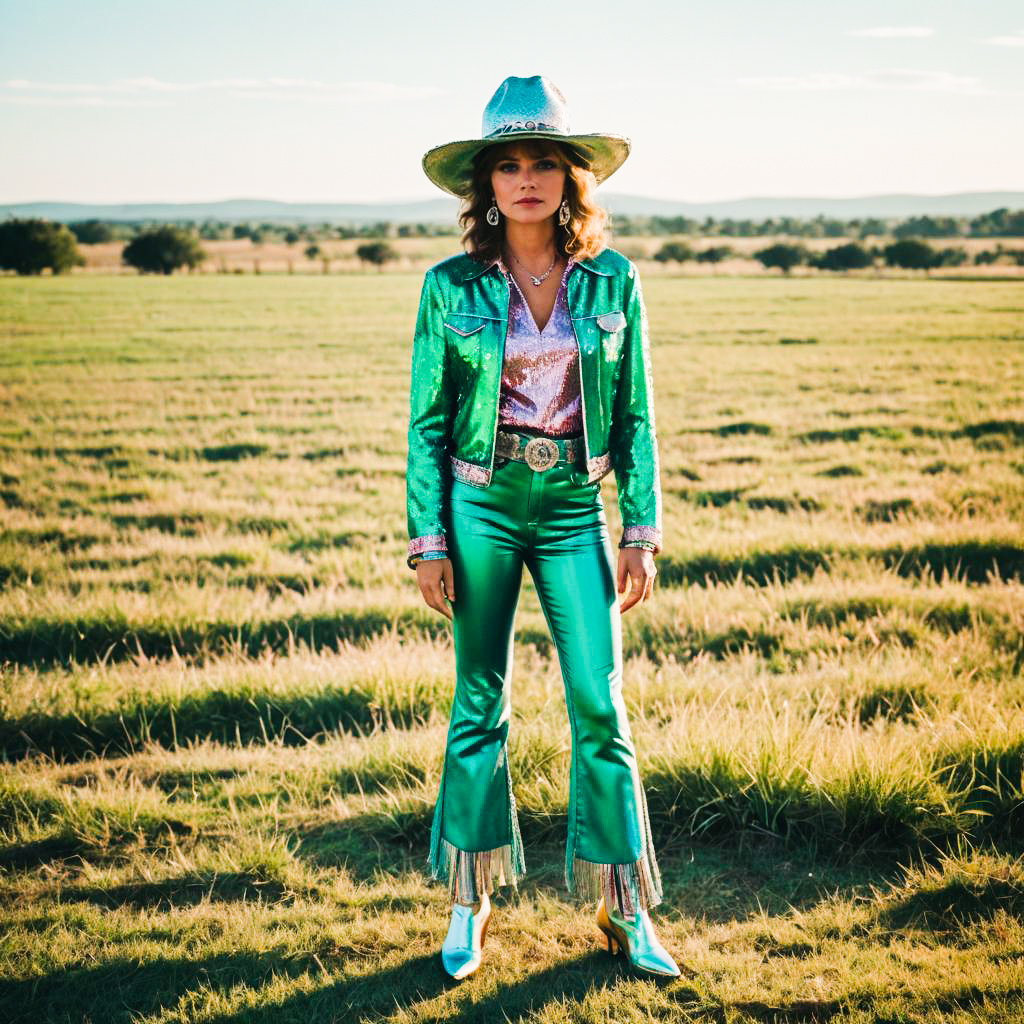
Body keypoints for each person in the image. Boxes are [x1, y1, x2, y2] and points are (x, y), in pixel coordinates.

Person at [406, 75, 679, 981]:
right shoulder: (449, 287)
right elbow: (428, 425)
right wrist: (430, 540)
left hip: (573, 508)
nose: (527, 179)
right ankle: (468, 902)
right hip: (480, 505)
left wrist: (639, 527)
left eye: (544, 163)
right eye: (509, 164)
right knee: (478, 703)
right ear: (486, 184)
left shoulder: (615, 278)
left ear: (571, 177)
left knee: (600, 705)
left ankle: (626, 910)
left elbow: (633, 415)